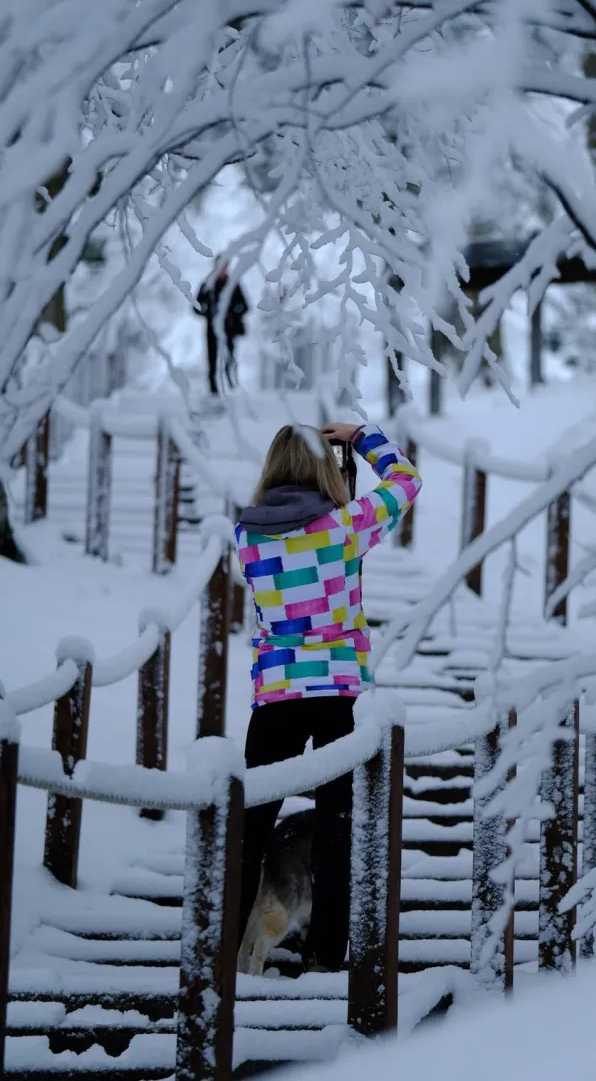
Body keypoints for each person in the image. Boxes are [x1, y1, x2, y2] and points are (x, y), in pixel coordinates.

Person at [234, 420, 422, 972]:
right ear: (322, 467)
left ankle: (222, 945)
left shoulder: (247, 535)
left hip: (277, 692)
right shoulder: (344, 527)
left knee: (249, 825)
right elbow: (406, 481)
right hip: (340, 692)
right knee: (338, 823)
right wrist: (363, 437)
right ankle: (324, 954)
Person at [195, 258, 249, 394]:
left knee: (229, 358)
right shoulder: (207, 285)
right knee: (212, 361)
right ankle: (214, 391)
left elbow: (245, 306)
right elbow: (196, 306)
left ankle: (231, 387)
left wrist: (232, 313)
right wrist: (208, 312)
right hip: (211, 329)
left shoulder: (233, 285)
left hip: (229, 330)